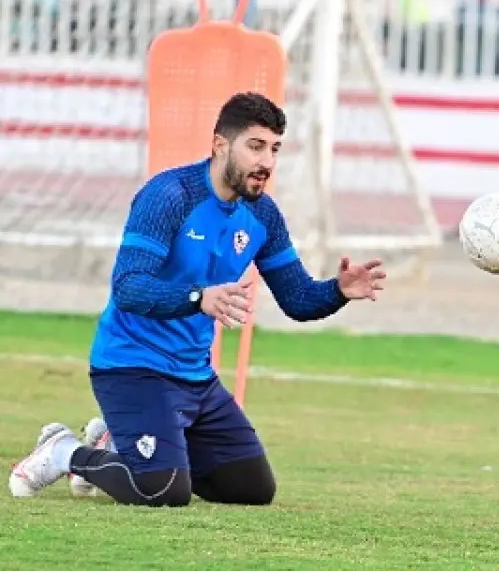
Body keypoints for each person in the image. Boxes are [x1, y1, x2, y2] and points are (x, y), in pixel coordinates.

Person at [9, 92, 387, 507]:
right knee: (162, 489)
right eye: (255, 146)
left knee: (251, 490)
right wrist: (197, 298)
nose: (267, 162)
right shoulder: (169, 195)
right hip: (131, 367)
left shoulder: (262, 215)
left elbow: (297, 299)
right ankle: (64, 451)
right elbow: (129, 286)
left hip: (194, 378)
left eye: (275, 149)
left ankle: (113, 439)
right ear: (220, 145)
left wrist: (338, 291)